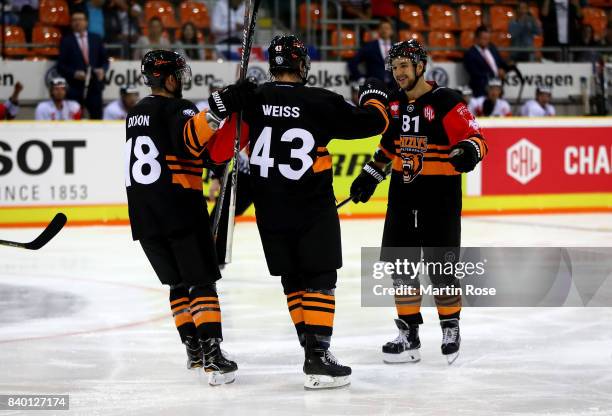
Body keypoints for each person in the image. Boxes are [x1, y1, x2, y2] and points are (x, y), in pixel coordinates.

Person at [206, 34, 390, 389]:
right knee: (319, 278)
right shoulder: (319, 100)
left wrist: (228, 103)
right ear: (302, 65)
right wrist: (375, 95)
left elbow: (216, 154)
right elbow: (372, 123)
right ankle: (318, 357)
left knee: (292, 279)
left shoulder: (252, 100)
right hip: (310, 205)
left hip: (269, 210)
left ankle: (311, 348)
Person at [350, 40, 488, 365]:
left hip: (439, 198)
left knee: (441, 268)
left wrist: (468, 151)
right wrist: (370, 174)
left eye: (404, 66)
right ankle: (408, 334)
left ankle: (450, 327)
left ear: (420, 67)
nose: (398, 73)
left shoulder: (446, 101)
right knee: (401, 268)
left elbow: (478, 140)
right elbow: (387, 149)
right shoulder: (394, 103)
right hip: (402, 198)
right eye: (394, 67)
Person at [125, 49, 254, 385]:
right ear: (169, 78)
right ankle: (212, 355)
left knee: (177, 283)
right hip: (179, 207)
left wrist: (228, 113)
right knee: (201, 281)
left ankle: (193, 350)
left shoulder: (135, 113)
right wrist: (219, 107)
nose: (181, 80)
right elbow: (191, 139)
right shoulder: (178, 108)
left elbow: (201, 152)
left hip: (143, 215)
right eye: (178, 74)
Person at [57, 10, 109, 119]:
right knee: (75, 116)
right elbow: (61, 65)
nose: (77, 22)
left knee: (97, 116)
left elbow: (104, 60)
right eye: (74, 20)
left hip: (94, 86)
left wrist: (102, 70)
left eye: (80, 19)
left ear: (86, 22)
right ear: (71, 23)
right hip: (74, 87)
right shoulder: (66, 41)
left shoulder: (95, 38)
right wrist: (74, 73)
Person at [464, 25, 510, 97]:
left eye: (488, 39)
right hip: (481, 91)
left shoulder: (492, 48)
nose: (486, 41)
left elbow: (501, 63)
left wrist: (502, 69)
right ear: (476, 38)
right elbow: (475, 74)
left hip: (497, 89)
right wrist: (493, 77)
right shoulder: (470, 54)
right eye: (484, 38)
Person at [348, 18, 395, 85]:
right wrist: (360, 78)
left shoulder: (396, 47)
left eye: (387, 28)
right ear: (378, 30)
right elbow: (352, 63)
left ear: (391, 31)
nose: (384, 31)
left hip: (393, 87)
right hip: (374, 86)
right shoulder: (370, 47)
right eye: (382, 28)